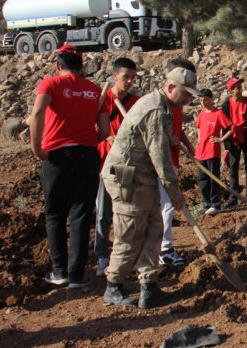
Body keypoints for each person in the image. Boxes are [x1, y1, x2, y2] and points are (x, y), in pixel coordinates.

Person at [101, 67, 197, 308]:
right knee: (130, 231)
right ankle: (113, 286)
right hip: (126, 175)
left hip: (143, 176)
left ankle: (149, 287)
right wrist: (175, 193)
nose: (189, 100)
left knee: (154, 226)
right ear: (171, 88)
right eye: (186, 94)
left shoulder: (163, 107)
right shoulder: (154, 109)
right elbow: (161, 158)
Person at [28, 45, 109, 289]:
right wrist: (85, 142)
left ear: (57, 65)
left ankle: (59, 271)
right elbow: (104, 131)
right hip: (87, 155)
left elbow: (38, 113)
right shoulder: (94, 91)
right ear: (81, 66)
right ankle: (76, 275)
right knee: (81, 215)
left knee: (54, 214)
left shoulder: (50, 84)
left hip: (57, 155)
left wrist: (36, 147)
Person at [94, 57, 140, 277]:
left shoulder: (136, 102)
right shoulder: (101, 99)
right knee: (103, 212)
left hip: (125, 164)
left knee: (125, 211)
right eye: (126, 77)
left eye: (133, 77)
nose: (130, 81)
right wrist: (107, 139)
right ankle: (102, 255)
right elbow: (89, 129)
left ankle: (124, 256)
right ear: (114, 76)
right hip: (104, 162)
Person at [157, 58, 197, 267]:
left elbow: (178, 129)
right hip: (159, 162)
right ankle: (164, 250)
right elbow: (153, 140)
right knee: (167, 206)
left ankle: (160, 248)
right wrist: (167, 136)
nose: (188, 98)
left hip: (172, 158)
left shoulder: (177, 103)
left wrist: (189, 148)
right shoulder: (161, 105)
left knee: (166, 206)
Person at [221, 76, 247, 209]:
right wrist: (226, 144)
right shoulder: (226, 105)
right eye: (237, 87)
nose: (240, 89)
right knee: (233, 170)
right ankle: (233, 197)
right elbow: (224, 126)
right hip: (233, 140)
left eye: (240, 86)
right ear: (231, 90)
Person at [195, 89, 232, 215]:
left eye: (205, 99)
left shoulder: (218, 113)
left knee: (213, 178)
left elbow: (231, 128)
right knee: (201, 178)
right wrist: (199, 140)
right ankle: (206, 203)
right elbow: (199, 128)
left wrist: (220, 139)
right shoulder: (202, 113)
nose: (203, 102)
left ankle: (216, 204)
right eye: (200, 100)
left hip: (212, 151)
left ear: (211, 99)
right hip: (201, 151)